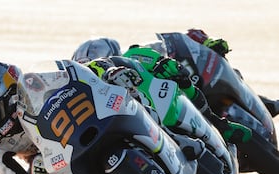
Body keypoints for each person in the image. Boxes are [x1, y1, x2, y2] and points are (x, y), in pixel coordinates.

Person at [71, 37, 252, 145]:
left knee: (183, 80)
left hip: (160, 103)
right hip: (130, 122)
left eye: (94, 55)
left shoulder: (131, 55)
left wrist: (164, 65)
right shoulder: (87, 89)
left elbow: (159, 58)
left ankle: (218, 124)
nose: (92, 61)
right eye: (85, 62)